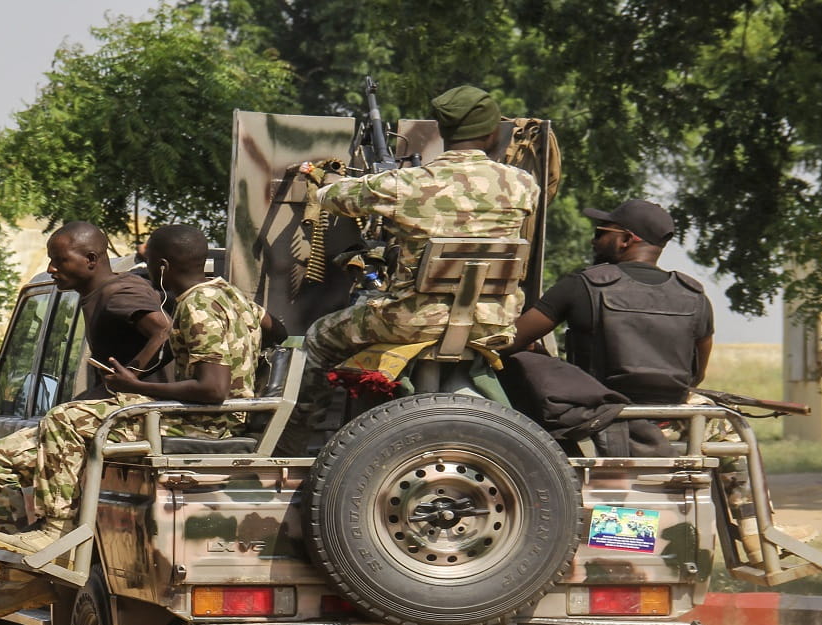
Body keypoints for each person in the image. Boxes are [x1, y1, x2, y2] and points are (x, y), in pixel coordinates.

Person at [0, 224, 261, 562]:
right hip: (202, 415)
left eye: (58, 260)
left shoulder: (172, 299)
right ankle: (22, 571)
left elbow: (211, 385)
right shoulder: (233, 297)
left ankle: (56, 531)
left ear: (163, 267)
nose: (52, 268)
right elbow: (277, 329)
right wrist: (251, 354)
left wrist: (136, 381)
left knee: (62, 419)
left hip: (201, 422)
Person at [283, 84, 541, 448]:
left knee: (318, 337)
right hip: (491, 321)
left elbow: (334, 198)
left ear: (442, 132)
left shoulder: (405, 185)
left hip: (410, 322)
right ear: (490, 133)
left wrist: (327, 177)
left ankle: (296, 439)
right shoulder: (523, 185)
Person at [508, 199, 713, 404]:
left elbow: (508, 341)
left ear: (625, 239)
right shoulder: (695, 297)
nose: (593, 242)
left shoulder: (581, 285)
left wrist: (538, 353)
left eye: (600, 233)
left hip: (595, 411)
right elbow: (697, 375)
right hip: (671, 412)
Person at [47, 221, 172, 400]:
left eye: (60, 260)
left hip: (142, 413)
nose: (51, 268)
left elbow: (165, 331)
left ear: (90, 259)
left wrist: (131, 376)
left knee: (56, 423)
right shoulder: (108, 290)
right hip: (133, 407)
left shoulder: (117, 295)